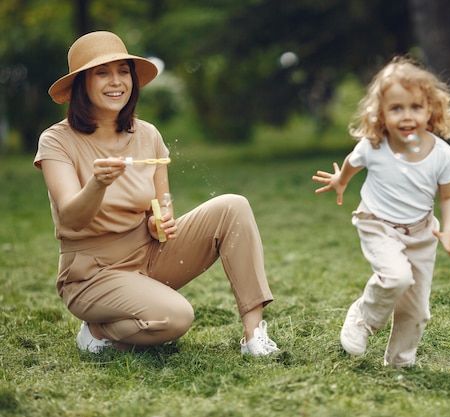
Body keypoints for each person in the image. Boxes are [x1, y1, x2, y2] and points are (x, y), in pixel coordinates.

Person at [34, 31, 279, 356]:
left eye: (123, 71)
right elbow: (71, 217)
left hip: (150, 255)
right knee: (176, 318)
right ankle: (98, 329)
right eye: (102, 72)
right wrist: (98, 183)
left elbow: (161, 207)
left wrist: (159, 221)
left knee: (234, 206)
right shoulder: (56, 141)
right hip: (92, 272)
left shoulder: (147, 134)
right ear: (81, 83)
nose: (116, 81)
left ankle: (254, 335)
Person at [312, 56, 450, 367]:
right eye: (396, 108)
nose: (406, 116)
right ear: (380, 114)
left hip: (422, 234)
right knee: (396, 277)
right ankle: (363, 317)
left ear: (431, 110)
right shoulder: (374, 146)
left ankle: (400, 362)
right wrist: (341, 182)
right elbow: (352, 163)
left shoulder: (443, 155)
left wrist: (448, 232)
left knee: (417, 309)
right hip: (378, 224)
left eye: (415, 107)